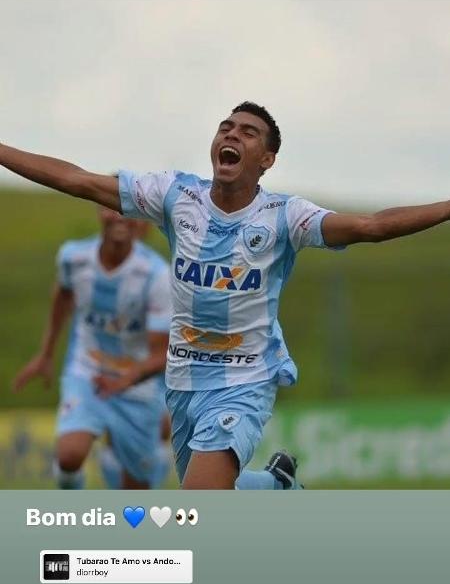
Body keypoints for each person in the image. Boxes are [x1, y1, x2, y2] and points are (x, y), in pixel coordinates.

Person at [3, 100, 449, 490]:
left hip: (245, 380)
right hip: (182, 380)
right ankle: (277, 485)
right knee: (214, 496)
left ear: (267, 159)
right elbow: (76, 180)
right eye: (226, 128)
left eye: (248, 132)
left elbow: (370, 227)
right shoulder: (176, 196)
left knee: (197, 505)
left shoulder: (284, 217)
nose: (232, 134)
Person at [13, 207, 172, 489]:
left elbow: (161, 353)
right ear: (99, 211)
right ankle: (76, 510)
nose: (119, 216)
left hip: (136, 383)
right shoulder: (73, 257)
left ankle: (136, 462)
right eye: (111, 207)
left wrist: (124, 380)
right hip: (87, 371)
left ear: (140, 221)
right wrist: (46, 353)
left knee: (136, 496)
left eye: (128, 210)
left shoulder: (157, 275)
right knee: (69, 455)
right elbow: (62, 295)